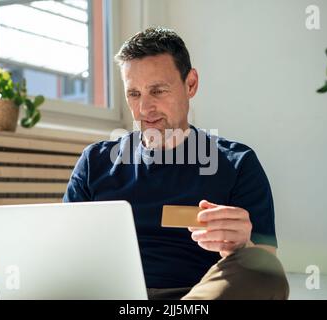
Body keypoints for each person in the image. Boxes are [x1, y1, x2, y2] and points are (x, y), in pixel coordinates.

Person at [63, 27, 289, 300]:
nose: (144, 109)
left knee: (264, 272)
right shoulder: (95, 162)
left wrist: (242, 246)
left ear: (190, 84)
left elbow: (265, 265)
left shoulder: (238, 164)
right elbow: (68, 248)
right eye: (134, 94)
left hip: (198, 297)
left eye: (157, 90)